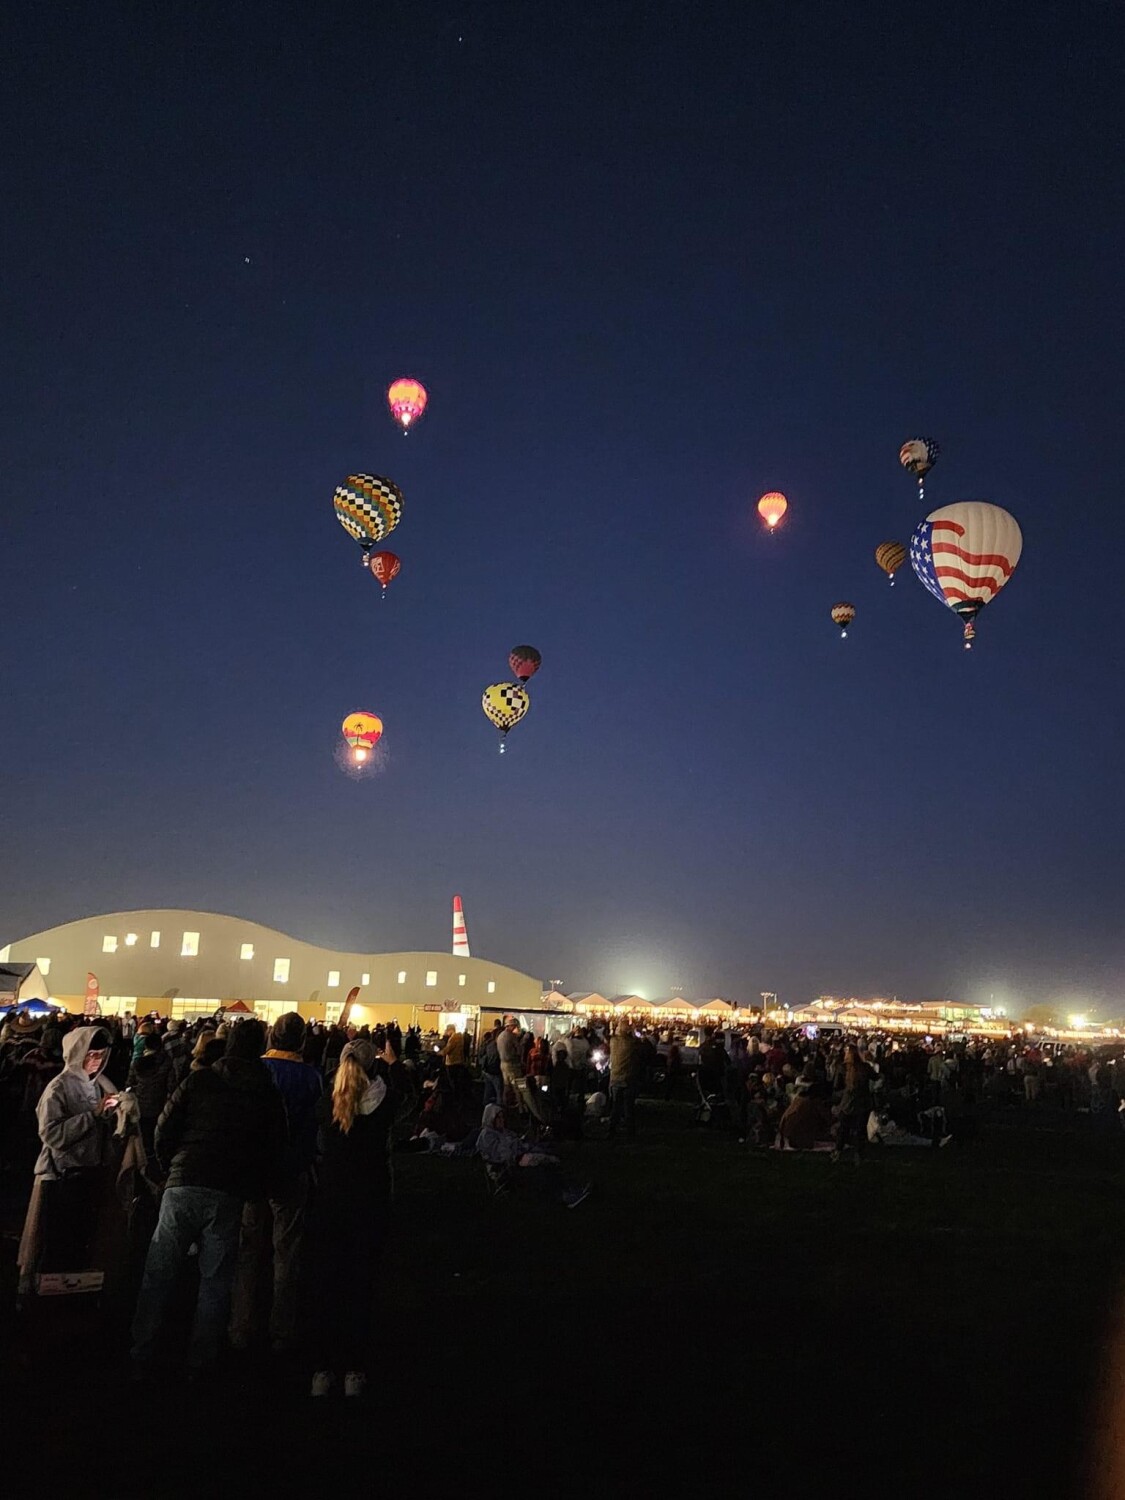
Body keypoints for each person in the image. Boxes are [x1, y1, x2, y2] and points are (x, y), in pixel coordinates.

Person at [130, 1020, 287, 1380]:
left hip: (185, 1181)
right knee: (215, 1279)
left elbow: (165, 1129)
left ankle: (144, 1347)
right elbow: (276, 1143)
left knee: (159, 1270)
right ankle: (202, 1357)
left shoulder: (200, 1079)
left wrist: (171, 1166)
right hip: (228, 1190)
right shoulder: (264, 1090)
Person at [307, 1038, 403, 1398]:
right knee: (360, 1286)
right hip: (369, 1202)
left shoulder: (327, 1103)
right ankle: (353, 1369)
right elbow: (402, 1098)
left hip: (331, 1201)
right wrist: (393, 1065)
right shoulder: (382, 1102)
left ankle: (322, 1369)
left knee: (326, 1285)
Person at [230, 1012, 322, 1355]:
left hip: (254, 1170)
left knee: (248, 1249)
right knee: (287, 1251)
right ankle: (281, 1330)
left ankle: (241, 1326)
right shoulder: (311, 1078)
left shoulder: (256, 1070)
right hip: (292, 1170)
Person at [18, 1026, 119, 1290]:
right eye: (91, 1054)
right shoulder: (58, 1088)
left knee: (81, 1242)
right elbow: (51, 1134)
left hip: (89, 1173)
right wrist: (93, 1116)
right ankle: (46, 1301)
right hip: (62, 1177)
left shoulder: (97, 1085)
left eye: (101, 1055)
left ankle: (73, 1299)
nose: (96, 1060)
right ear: (77, 1053)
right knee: (56, 1244)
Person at [126, 1030, 173, 1156]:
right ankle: (152, 1151)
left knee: (141, 1128)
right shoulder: (166, 1062)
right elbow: (171, 1084)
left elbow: (129, 1083)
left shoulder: (138, 1063)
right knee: (154, 1128)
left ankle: (141, 1152)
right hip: (158, 1101)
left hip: (139, 1100)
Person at [833, 1045, 873, 1163]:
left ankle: (838, 1152)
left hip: (848, 1104)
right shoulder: (865, 1067)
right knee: (860, 1130)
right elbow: (876, 1077)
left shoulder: (843, 1068)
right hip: (862, 1103)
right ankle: (858, 1155)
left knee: (843, 1129)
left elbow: (836, 1086)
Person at [608, 1019, 639, 1138]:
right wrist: (633, 1031)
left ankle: (612, 1129)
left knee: (615, 1106)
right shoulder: (631, 1043)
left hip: (615, 1077)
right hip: (628, 1079)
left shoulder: (613, 1041)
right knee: (628, 1107)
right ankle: (630, 1131)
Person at [439, 1023, 470, 1100]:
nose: (447, 1033)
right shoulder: (460, 1037)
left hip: (452, 1062)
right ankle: (457, 1097)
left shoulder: (454, 1038)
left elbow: (448, 1049)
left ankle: (455, 1098)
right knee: (457, 1082)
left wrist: (440, 1053)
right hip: (459, 1061)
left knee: (453, 1082)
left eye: (447, 1031)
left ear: (451, 1030)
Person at [497, 1018, 524, 1104]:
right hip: (512, 1064)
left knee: (506, 1085)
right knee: (517, 1085)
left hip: (502, 1064)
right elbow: (519, 1050)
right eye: (514, 1026)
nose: (515, 1028)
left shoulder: (500, 1036)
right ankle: (520, 1106)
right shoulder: (511, 1036)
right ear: (511, 1026)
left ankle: (505, 1103)